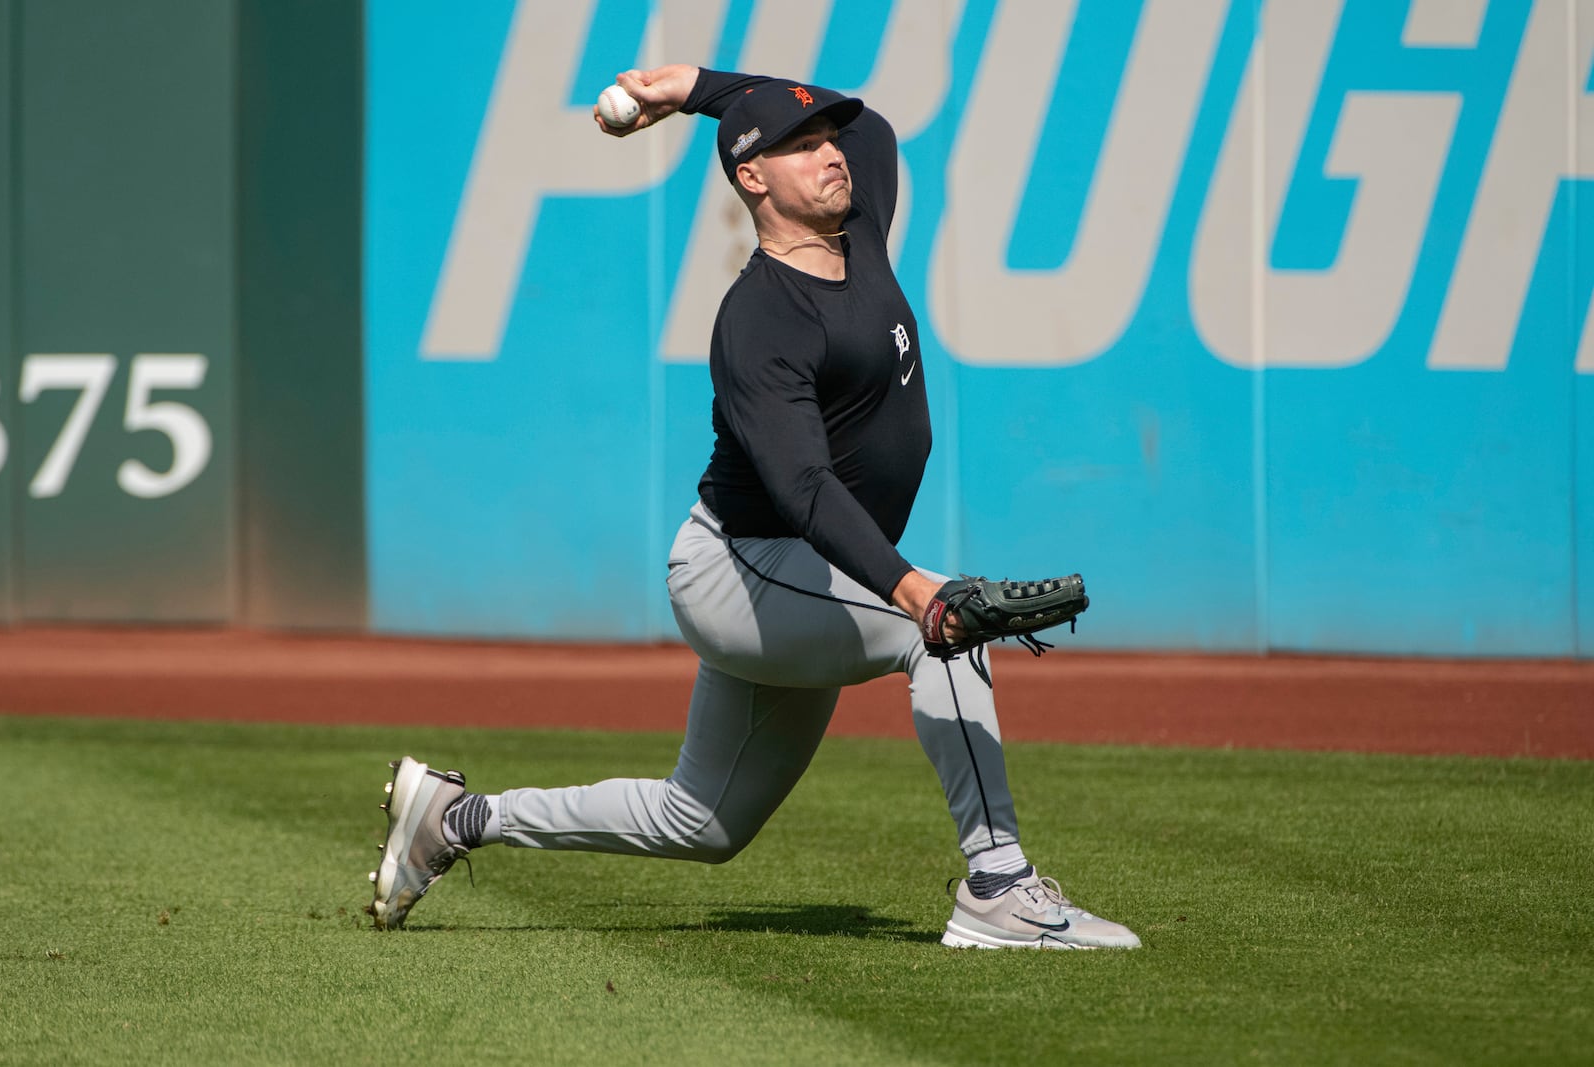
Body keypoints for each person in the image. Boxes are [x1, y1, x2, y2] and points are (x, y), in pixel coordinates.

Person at [370, 65, 1140, 951]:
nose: (830, 154)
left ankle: (455, 819)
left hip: (805, 575)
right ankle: (998, 887)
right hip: (740, 570)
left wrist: (701, 86)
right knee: (944, 630)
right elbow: (803, 487)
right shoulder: (759, 320)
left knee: (701, 822)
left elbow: (877, 127)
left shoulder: (863, 227)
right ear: (751, 177)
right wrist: (916, 592)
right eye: (801, 145)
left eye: (824, 137)